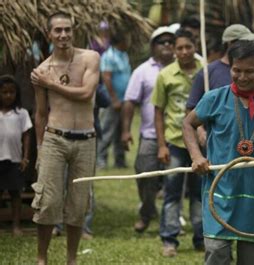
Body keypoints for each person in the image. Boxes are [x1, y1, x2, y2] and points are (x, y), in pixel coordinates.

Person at [182, 39, 254, 265]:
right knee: (216, 252)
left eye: (250, 72)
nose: (242, 77)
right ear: (230, 68)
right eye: (237, 70)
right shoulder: (214, 98)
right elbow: (188, 124)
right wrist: (197, 156)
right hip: (220, 194)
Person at [30, 11, 100, 265]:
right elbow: (40, 114)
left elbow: (86, 93)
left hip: (86, 139)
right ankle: (42, 258)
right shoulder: (41, 71)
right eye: (58, 30)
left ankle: (71, 259)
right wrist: (39, 148)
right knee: (48, 202)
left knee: (79, 204)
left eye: (67, 29)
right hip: (54, 139)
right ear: (49, 34)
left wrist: (53, 84)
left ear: (74, 31)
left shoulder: (90, 58)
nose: (63, 35)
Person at [151, 28, 203, 257]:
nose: (183, 52)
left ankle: (202, 237)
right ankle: (169, 239)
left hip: (200, 144)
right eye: (179, 48)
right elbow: (158, 112)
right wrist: (161, 145)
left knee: (200, 193)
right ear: (174, 50)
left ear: (195, 48)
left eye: (187, 47)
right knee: (172, 192)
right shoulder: (165, 75)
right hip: (174, 142)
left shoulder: (205, 74)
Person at [121, 26, 175, 233]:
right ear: (153, 46)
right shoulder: (142, 71)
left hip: (178, 135)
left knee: (175, 179)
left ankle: (171, 220)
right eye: (162, 42)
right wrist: (125, 131)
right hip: (150, 135)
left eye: (171, 42)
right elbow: (129, 102)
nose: (167, 45)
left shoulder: (184, 67)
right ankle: (147, 211)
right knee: (144, 174)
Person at [186, 24, 254, 111]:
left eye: (248, 71)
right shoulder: (207, 72)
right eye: (244, 42)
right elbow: (191, 108)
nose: (242, 77)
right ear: (230, 43)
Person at [0, 75, 32, 236]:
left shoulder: (21, 113)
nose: (8, 95)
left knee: (15, 194)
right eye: (4, 92)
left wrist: (25, 157)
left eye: (11, 92)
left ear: (16, 94)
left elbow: (26, 135)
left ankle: (16, 226)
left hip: (14, 159)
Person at [96, 30, 131, 169]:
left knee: (121, 131)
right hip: (112, 100)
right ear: (120, 42)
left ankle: (120, 160)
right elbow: (106, 78)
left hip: (125, 100)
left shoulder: (124, 54)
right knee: (107, 130)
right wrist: (114, 99)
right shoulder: (108, 56)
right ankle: (101, 159)